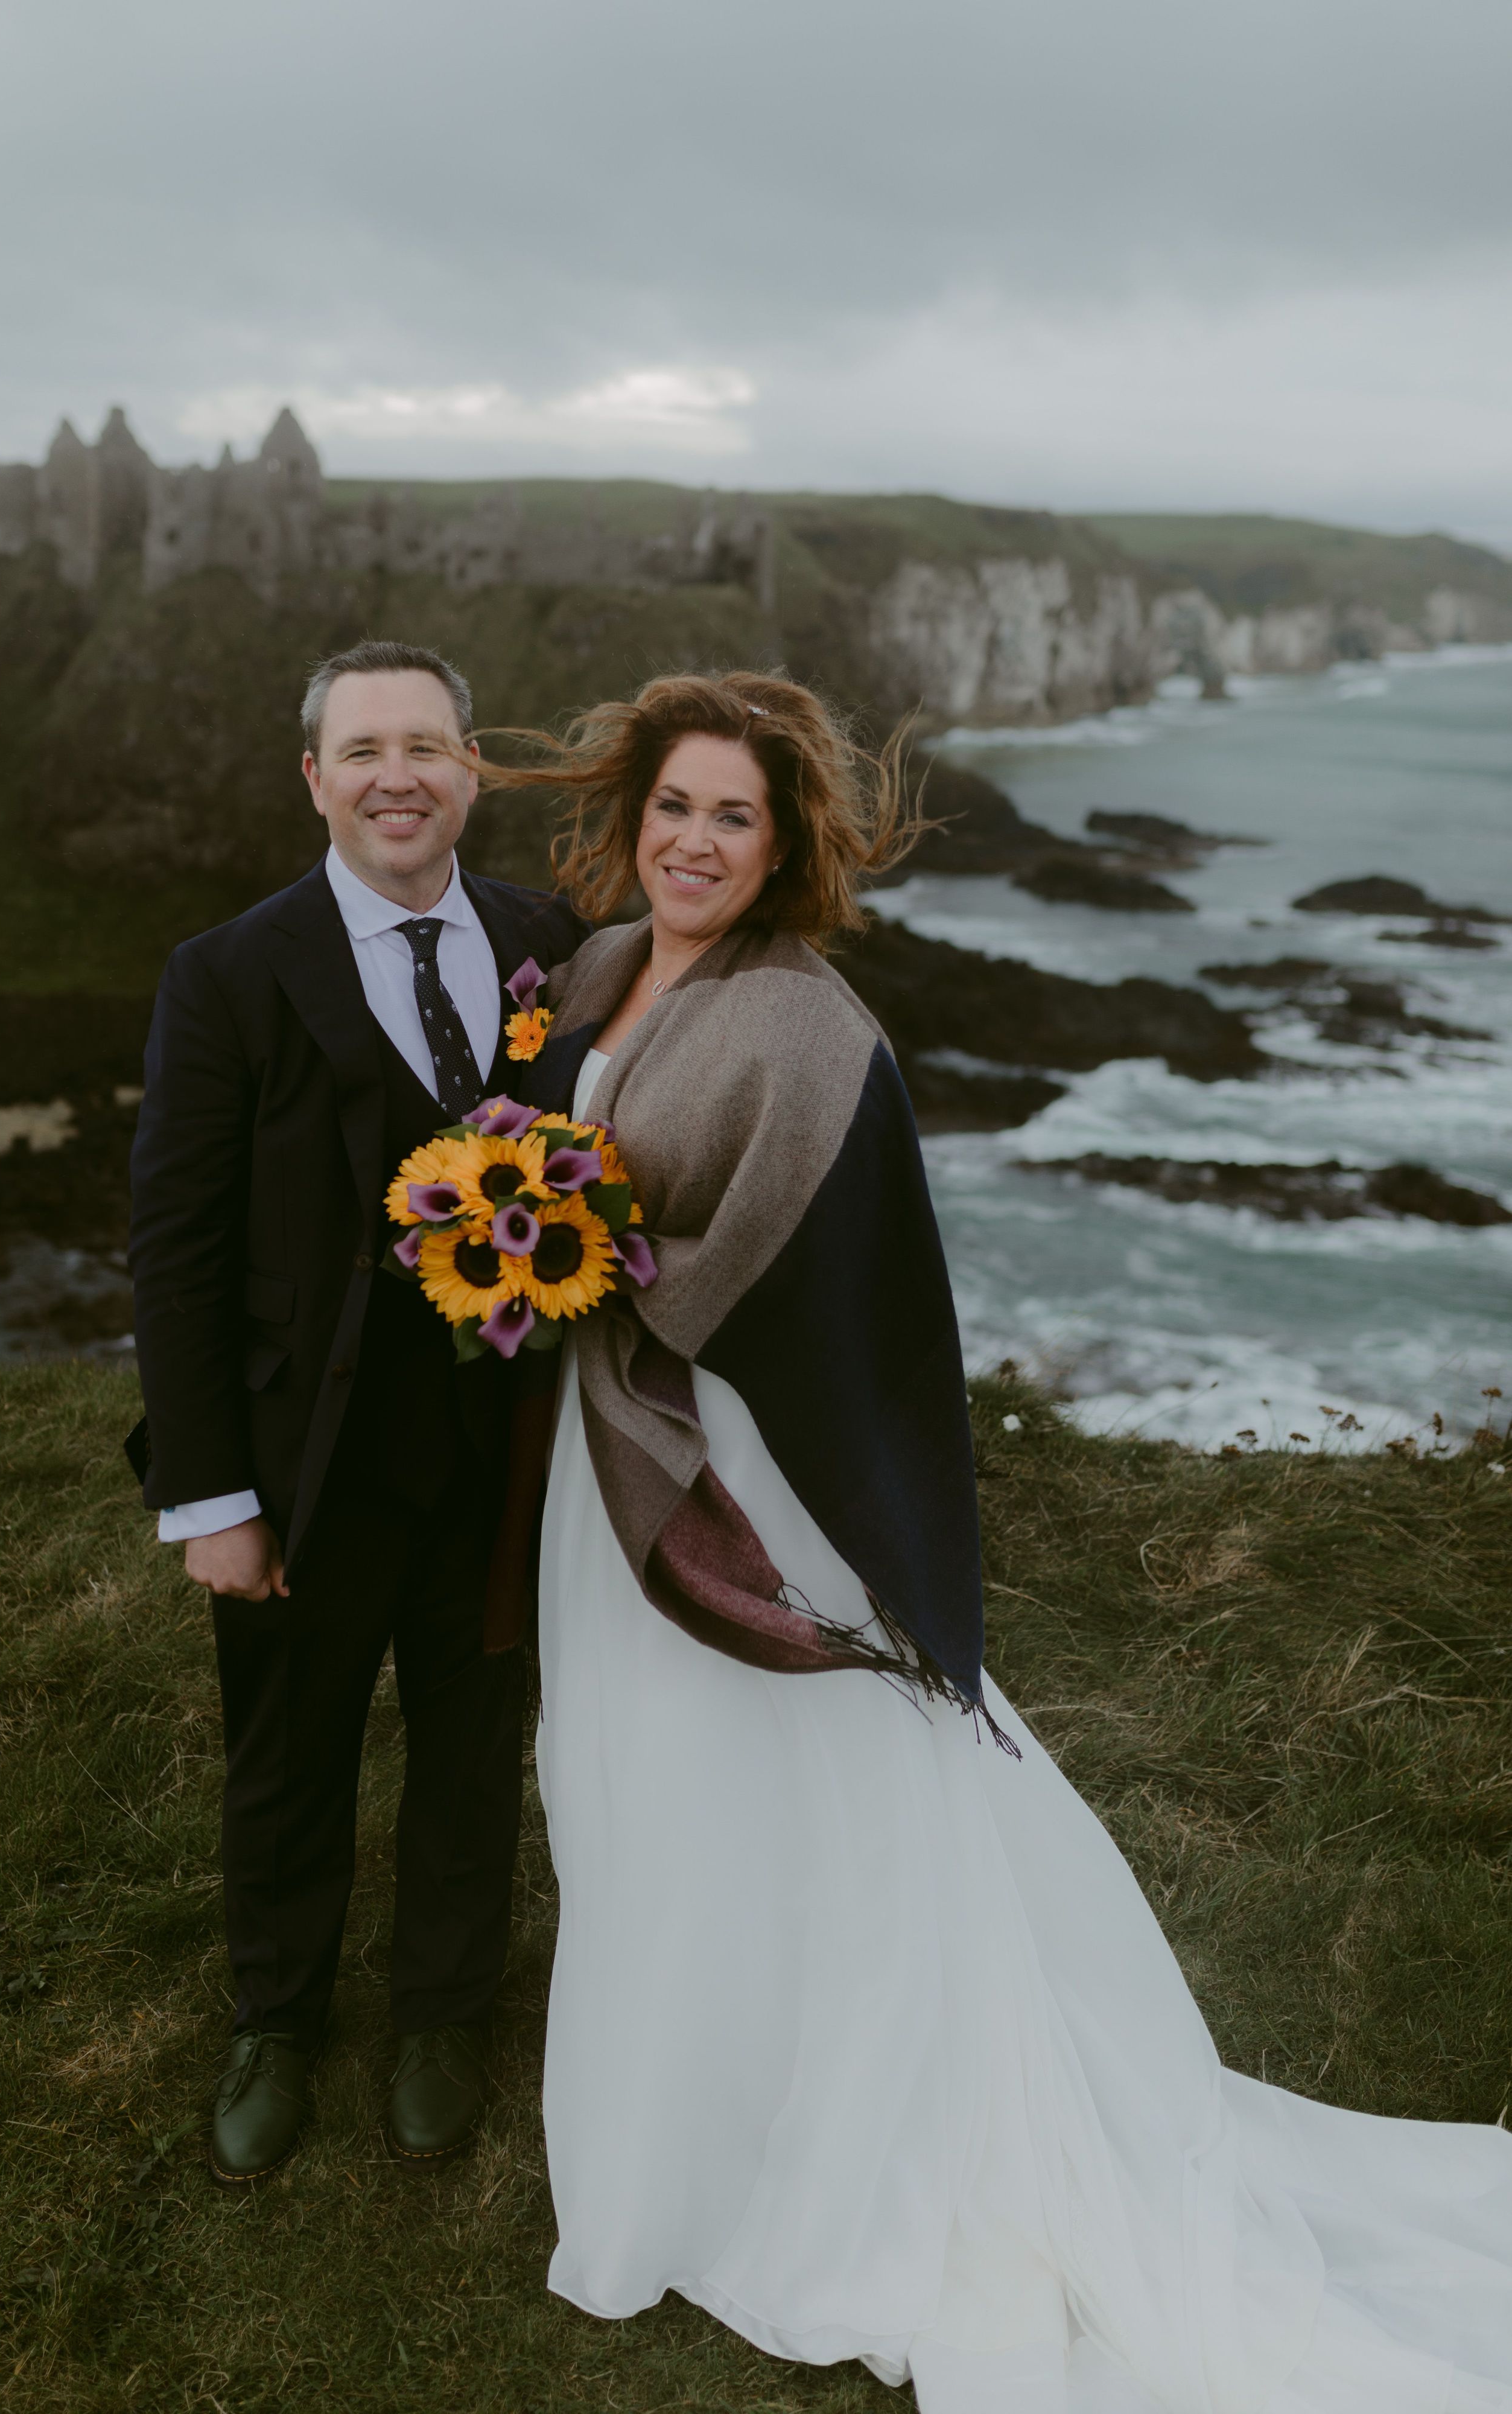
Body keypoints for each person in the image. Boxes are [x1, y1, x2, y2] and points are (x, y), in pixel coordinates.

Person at [509, 670, 1512, 2409]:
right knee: (645, 1779)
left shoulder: (810, 1028)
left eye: (734, 816)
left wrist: (606, 1279)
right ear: (631, 813)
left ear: (786, 845)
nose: (694, 840)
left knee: (795, 1765)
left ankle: (856, 2139)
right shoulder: (594, 974)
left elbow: (862, 1308)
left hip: (743, 1464)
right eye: (674, 806)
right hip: (610, 1456)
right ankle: (712, 2110)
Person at [127, 639, 587, 2184]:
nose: (400, 774)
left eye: (430, 746)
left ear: (472, 771)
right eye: (365, 749)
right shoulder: (228, 970)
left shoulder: (552, 944)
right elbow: (177, 1248)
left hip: (496, 1458)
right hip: (298, 1463)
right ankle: (278, 2020)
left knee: (473, 1747)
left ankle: (442, 2017)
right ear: (312, 778)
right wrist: (212, 1500)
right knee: (288, 1756)